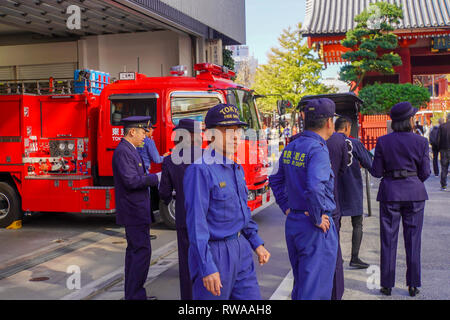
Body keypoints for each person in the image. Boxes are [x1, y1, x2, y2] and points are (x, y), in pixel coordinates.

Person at [183, 104, 271, 300]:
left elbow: (242, 212)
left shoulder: (235, 167)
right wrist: (207, 267)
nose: (235, 136)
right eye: (226, 131)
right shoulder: (200, 170)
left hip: (241, 248)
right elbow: (197, 226)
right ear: (211, 135)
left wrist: (256, 243)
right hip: (215, 253)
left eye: (237, 130)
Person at [269, 98, 338, 300]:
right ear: (328, 122)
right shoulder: (318, 149)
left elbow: (275, 179)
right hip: (314, 227)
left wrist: (286, 207)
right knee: (315, 289)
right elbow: (316, 186)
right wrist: (317, 217)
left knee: (302, 286)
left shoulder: (293, 146)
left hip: (295, 223)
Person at [370, 101, 431, 297]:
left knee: (388, 239)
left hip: (390, 193)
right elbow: (426, 172)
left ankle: (386, 284)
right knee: (413, 240)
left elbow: (377, 172)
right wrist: (412, 179)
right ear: (409, 120)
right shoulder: (421, 141)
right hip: (414, 193)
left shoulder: (383, 141)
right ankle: (413, 284)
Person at [112, 116, 159, 300]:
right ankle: (135, 296)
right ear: (132, 131)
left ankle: (134, 295)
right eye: (142, 132)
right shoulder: (124, 151)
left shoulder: (130, 149)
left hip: (136, 211)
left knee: (136, 254)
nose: (145, 136)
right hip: (134, 212)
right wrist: (157, 178)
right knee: (140, 254)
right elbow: (131, 181)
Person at [159, 119, 203, 300]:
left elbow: (164, 194)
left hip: (185, 218)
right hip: (209, 220)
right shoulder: (209, 156)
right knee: (209, 263)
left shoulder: (170, 160)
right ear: (193, 135)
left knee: (186, 266)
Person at [335, 117, 372, 269]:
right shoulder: (354, 143)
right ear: (347, 127)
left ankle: (337, 258)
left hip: (334, 188)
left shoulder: (328, 142)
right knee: (357, 223)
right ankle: (354, 258)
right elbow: (369, 163)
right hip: (353, 187)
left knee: (335, 224)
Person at [325, 118, 350, 301]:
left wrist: (287, 207)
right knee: (333, 254)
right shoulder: (340, 141)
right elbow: (342, 170)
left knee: (305, 261)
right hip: (330, 206)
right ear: (328, 121)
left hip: (300, 215)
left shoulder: (295, 141)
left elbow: (279, 179)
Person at [437, 114, 450, 190]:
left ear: (447, 118)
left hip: (444, 150)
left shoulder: (442, 126)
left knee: (444, 168)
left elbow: (438, 139)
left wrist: (439, 149)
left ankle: (443, 185)